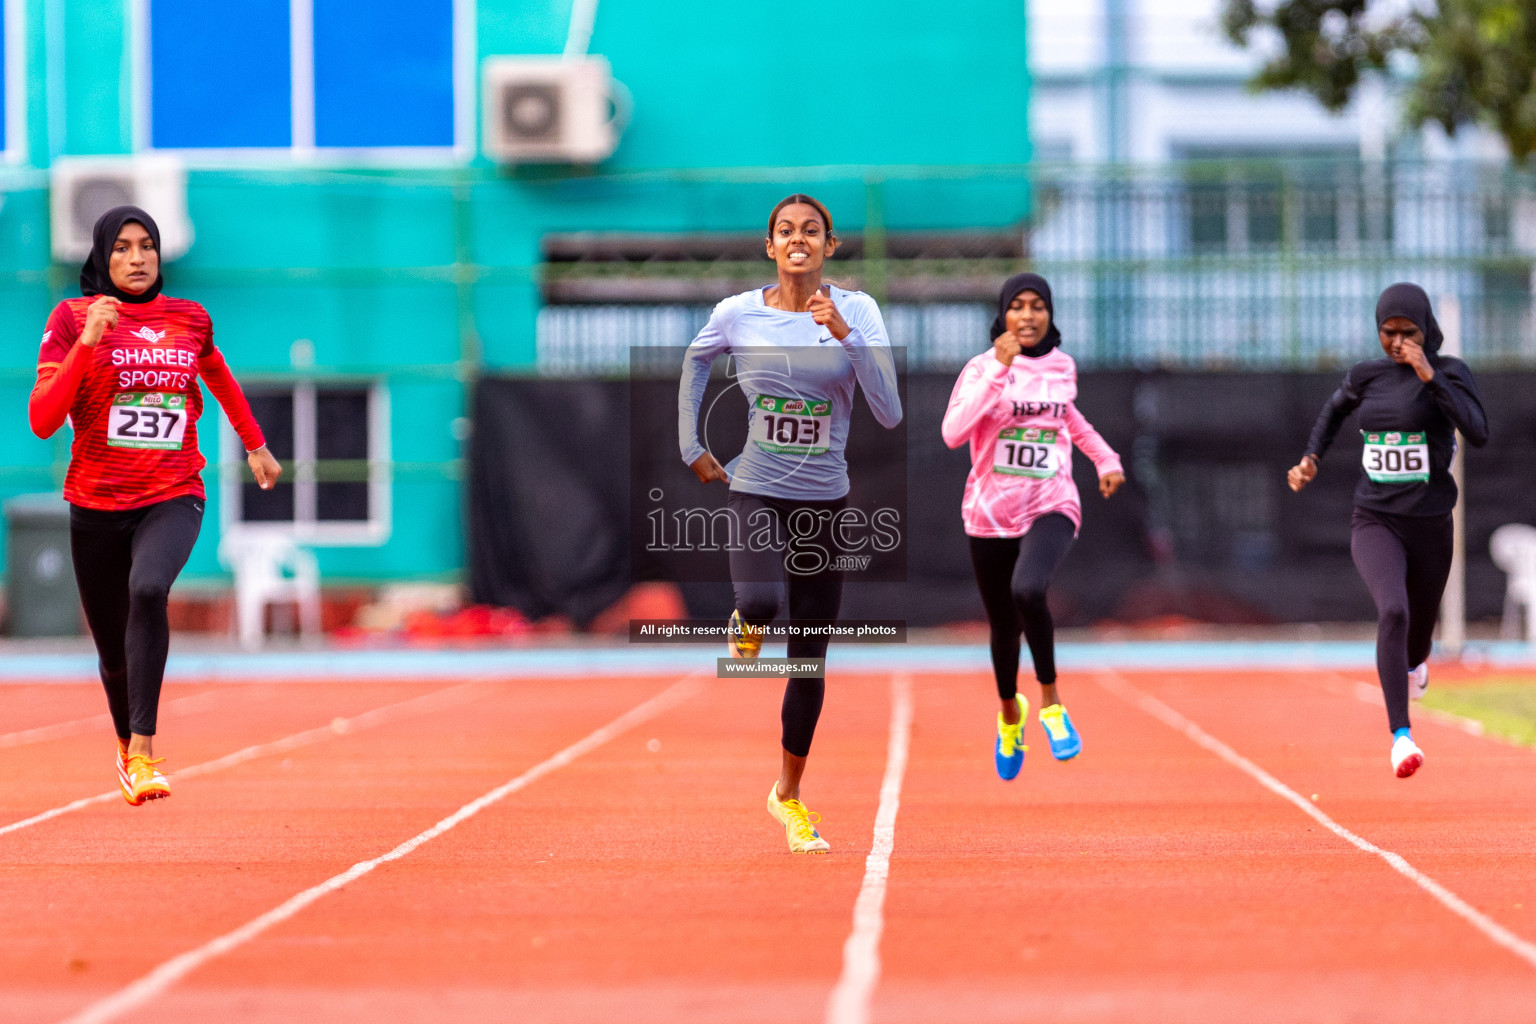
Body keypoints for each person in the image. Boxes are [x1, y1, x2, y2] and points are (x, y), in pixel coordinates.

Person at [28, 206, 281, 805]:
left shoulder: (189, 318)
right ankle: (125, 745)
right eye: (121, 248)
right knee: (112, 653)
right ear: (100, 257)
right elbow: (42, 420)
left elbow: (215, 372)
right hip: (95, 502)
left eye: (146, 246)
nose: (136, 259)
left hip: (172, 492)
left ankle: (143, 750)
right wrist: (87, 343)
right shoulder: (71, 318)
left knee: (149, 588)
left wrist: (255, 444)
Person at [678, 194, 902, 853]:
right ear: (770, 247)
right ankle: (744, 623)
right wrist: (691, 445)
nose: (798, 238)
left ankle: (789, 796)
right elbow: (694, 363)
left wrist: (846, 337)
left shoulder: (857, 311)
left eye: (811, 230)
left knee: (808, 660)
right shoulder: (736, 314)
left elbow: (887, 412)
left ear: (830, 247)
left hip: (824, 500)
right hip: (756, 486)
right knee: (761, 601)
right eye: (785, 230)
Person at [1288, 283, 1487, 778]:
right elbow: (1334, 409)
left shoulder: (1449, 372)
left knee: (1418, 639)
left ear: (1427, 331)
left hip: (1432, 524)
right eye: (1388, 333)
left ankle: (1416, 664)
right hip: (1375, 518)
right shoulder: (1366, 376)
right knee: (1392, 610)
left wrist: (1428, 376)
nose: (1398, 343)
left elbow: (1478, 431)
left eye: (1409, 333)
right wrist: (1312, 457)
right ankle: (1401, 737)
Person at [942, 273, 1124, 779]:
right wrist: (999, 370)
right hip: (989, 512)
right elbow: (954, 433)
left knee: (1030, 589)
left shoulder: (1063, 366)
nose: (1028, 315)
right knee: (1003, 627)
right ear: (1003, 316)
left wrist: (1105, 459)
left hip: (1051, 500)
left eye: (1037, 306)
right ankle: (1009, 715)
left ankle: (1050, 704)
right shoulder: (981, 367)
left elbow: (1069, 420)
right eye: (1017, 306)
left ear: (1049, 314)